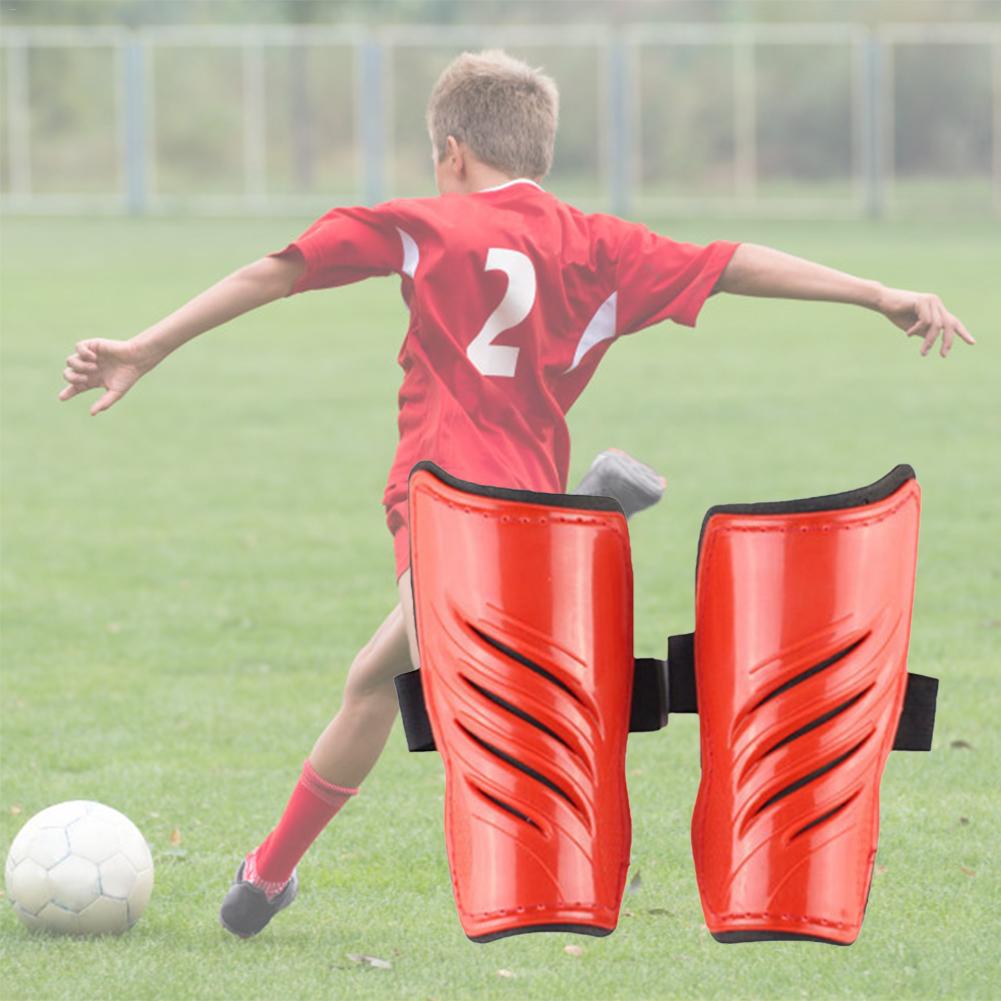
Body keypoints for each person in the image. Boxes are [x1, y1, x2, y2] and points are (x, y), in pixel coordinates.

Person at [58, 49, 974, 939]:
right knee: (375, 681)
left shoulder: (423, 223)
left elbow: (277, 270)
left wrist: (150, 344)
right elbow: (732, 261)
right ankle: (266, 874)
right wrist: (874, 291)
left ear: (451, 151)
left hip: (444, 502)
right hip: (520, 508)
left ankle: (574, 707)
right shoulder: (600, 243)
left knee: (477, 698)